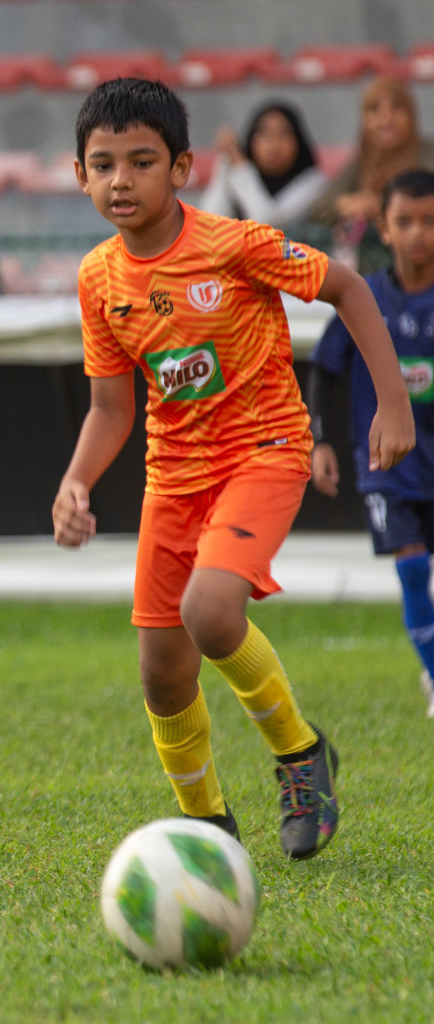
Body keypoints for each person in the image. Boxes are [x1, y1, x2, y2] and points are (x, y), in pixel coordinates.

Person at [52, 78, 414, 861]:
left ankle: (300, 754)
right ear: (79, 174)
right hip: (171, 479)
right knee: (161, 676)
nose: (122, 180)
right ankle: (207, 827)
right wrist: (75, 481)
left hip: (262, 454)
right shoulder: (98, 279)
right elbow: (112, 408)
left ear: (182, 167)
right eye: (103, 164)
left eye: (142, 162)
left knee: (211, 612)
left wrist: (392, 402)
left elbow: (347, 288)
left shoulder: (234, 244)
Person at [310, 170, 434, 716]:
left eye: (429, 221)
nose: (417, 234)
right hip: (387, 463)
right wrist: (319, 440)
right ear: (382, 228)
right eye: (404, 221)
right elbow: (325, 366)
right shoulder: (365, 297)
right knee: (411, 568)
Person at [311, 77, 434, 229]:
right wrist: (348, 204)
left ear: (411, 114)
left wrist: (386, 205)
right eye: (375, 109)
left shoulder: (428, 154)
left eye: (396, 107)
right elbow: (319, 206)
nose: (386, 119)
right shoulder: (363, 161)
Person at [198, 102, 328, 228]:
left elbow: (267, 225)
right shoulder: (238, 170)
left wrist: (241, 168)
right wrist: (225, 165)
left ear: (298, 142)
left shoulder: (315, 183)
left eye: (283, 134)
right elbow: (209, 223)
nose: (273, 143)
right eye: (264, 134)